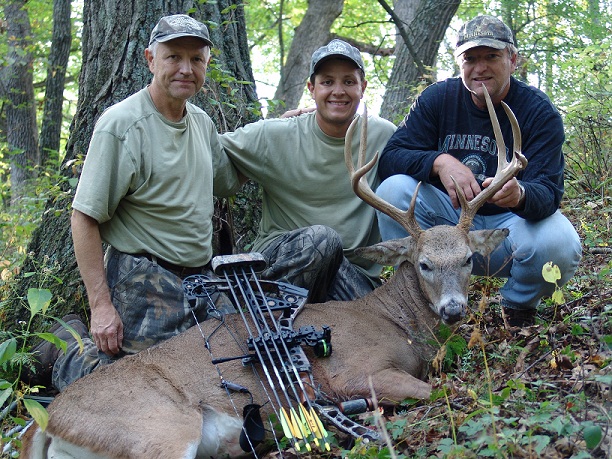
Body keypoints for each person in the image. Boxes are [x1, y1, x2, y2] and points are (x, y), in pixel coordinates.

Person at [26, 14, 241, 391]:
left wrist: (293, 127)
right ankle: (64, 349)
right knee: (143, 389)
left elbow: (228, 180)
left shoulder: (203, 124)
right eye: (173, 56)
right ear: (149, 59)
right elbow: (83, 218)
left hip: (200, 277)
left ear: (207, 64)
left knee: (237, 360)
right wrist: (102, 307)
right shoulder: (122, 124)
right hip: (143, 275)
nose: (186, 69)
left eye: (197, 59)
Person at [375, 15, 582, 327]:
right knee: (393, 189)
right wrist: (439, 162)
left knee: (559, 243)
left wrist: (520, 195)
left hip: (507, 229)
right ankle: (419, 306)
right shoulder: (438, 98)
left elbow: (549, 192)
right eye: (470, 58)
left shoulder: (539, 112)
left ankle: (516, 309)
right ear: (459, 63)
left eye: (491, 57)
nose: (480, 68)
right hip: (446, 229)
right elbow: (391, 157)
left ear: (513, 59)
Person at [220, 39, 397, 302]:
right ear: (312, 88)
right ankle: (263, 316)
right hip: (283, 262)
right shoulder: (277, 134)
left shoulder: (383, 135)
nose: (338, 91)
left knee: (385, 328)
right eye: (327, 82)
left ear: (363, 88)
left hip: (350, 272)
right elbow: (209, 152)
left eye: (349, 81)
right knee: (322, 240)